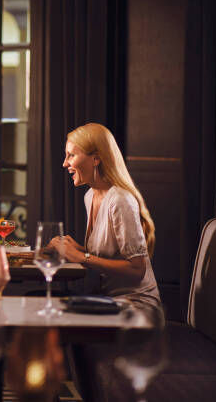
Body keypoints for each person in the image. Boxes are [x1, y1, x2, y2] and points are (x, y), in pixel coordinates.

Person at [59, 122, 162, 312]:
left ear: (96, 159)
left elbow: (137, 270)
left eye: (71, 155)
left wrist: (81, 256)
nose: (65, 163)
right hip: (107, 300)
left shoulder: (120, 201)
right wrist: (76, 249)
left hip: (137, 305)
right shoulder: (90, 196)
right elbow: (110, 256)